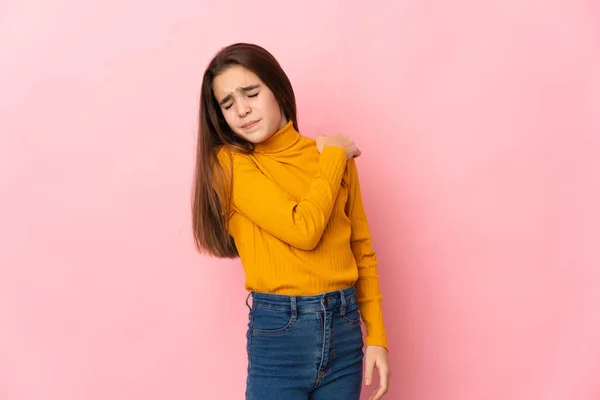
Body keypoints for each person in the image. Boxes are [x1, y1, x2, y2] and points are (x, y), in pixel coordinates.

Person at [192, 43, 390, 400]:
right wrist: (333, 157)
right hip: (281, 336)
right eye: (227, 104)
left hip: (345, 332)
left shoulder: (332, 157)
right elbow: (304, 229)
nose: (242, 110)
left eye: (251, 93)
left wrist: (376, 336)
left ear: (278, 90)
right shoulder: (229, 165)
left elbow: (361, 249)